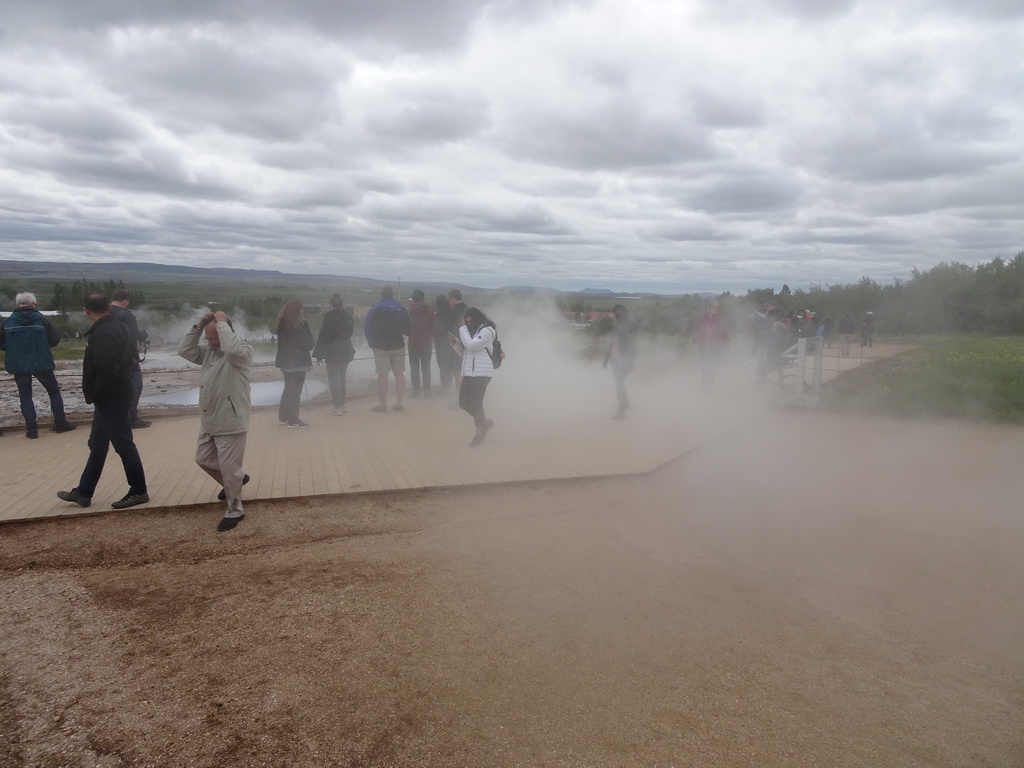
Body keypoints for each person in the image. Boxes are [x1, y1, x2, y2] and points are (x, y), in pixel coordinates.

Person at [57, 292, 148, 510]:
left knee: (124, 444)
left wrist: (97, 394)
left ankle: (139, 490)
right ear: (108, 306)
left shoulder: (103, 333)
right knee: (98, 445)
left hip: (111, 398)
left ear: (86, 310)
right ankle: (84, 492)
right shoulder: (118, 326)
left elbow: (108, 370)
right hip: (115, 395)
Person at [178, 310, 253, 532]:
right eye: (208, 339)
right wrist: (198, 328)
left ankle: (235, 510)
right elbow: (184, 350)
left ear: (226, 331)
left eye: (215, 338)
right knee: (202, 458)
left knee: (230, 468)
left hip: (230, 420)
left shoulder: (241, 351)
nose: (211, 343)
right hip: (210, 420)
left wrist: (221, 325)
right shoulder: (209, 353)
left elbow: (230, 348)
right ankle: (236, 480)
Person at [0, 291, 76, 438]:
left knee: (25, 396)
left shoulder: (8, 321)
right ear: (33, 304)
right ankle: (60, 423)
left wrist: (12, 348)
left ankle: (32, 430)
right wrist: (42, 346)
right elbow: (54, 339)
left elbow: (1, 342)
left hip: (18, 364)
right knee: (53, 392)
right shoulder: (41, 319)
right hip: (42, 362)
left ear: (17, 305)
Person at [452, 307, 496, 447]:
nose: (468, 324)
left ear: (477, 319)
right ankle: (484, 422)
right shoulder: (472, 332)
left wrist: (462, 329)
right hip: (469, 372)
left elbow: (471, 346)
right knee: (463, 402)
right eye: (466, 322)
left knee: (476, 404)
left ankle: (479, 437)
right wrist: (456, 344)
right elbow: (465, 353)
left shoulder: (487, 331)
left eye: (470, 322)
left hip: (482, 373)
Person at [364, 285, 411, 412]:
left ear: (381, 294)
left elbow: (368, 327)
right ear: (393, 294)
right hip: (398, 345)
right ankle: (399, 403)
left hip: (381, 347)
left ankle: (382, 404)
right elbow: (409, 327)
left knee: (382, 376)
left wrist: (371, 343)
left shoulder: (375, 309)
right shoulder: (401, 308)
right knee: (399, 375)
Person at [109, 288, 151, 428]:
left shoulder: (105, 312)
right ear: (125, 300)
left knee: (114, 389)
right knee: (135, 387)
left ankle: (116, 417)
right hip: (128, 358)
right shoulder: (126, 316)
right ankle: (131, 419)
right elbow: (134, 335)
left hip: (111, 357)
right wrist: (144, 334)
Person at [312, 294, 355, 416]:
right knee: (342, 379)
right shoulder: (348, 317)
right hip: (346, 351)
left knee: (334, 380)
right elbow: (350, 334)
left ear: (331, 305)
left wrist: (318, 354)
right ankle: (343, 404)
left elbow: (323, 336)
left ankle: (337, 407)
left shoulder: (329, 318)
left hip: (333, 352)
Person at [275, 299, 315, 428]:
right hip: (299, 361)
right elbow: (307, 343)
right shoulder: (301, 325)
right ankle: (293, 420)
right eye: (302, 309)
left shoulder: (281, 324)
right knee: (296, 391)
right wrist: (312, 341)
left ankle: (283, 416)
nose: (303, 311)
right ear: (298, 311)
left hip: (286, 361)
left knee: (288, 388)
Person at [602, 304, 638, 419]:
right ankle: (625, 403)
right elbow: (612, 341)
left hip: (625, 358)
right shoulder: (619, 324)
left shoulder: (630, 323)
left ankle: (621, 410)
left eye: (616, 313)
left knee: (619, 383)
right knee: (619, 382)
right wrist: (606, 358)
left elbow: (631, 343)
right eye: (615, 313)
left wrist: (630, 361)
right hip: (615, 358)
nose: (615, 315)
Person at [406, 289, 436, 397]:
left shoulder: (409, 312)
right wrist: (427, 335)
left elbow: (405, 329)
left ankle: (416, 391)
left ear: (413, 298)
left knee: (414, 368)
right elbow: (434, 329)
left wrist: (411, 333)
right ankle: (427, 391)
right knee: (426, 368)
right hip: (426, 344)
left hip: (413, 344)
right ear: (423, 298)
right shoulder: (429, 312)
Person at [446, 289, 468, 396]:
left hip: (456, 345)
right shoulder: (468, 310)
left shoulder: (452, 312)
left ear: (453, 298)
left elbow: (447, 329)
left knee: (457, 372)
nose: (449, 302)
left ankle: (461, 399)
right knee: (466, 372)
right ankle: (468, 398)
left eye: (449, 299)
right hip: (469, 344)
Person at [433, 294, 453, 393]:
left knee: (442, 366)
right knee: (449, 366)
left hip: (441, 344)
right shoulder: (452, 312)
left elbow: (438, 329)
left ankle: (444, 387)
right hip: (451, 344)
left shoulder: (439, 314)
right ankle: (449, 384)